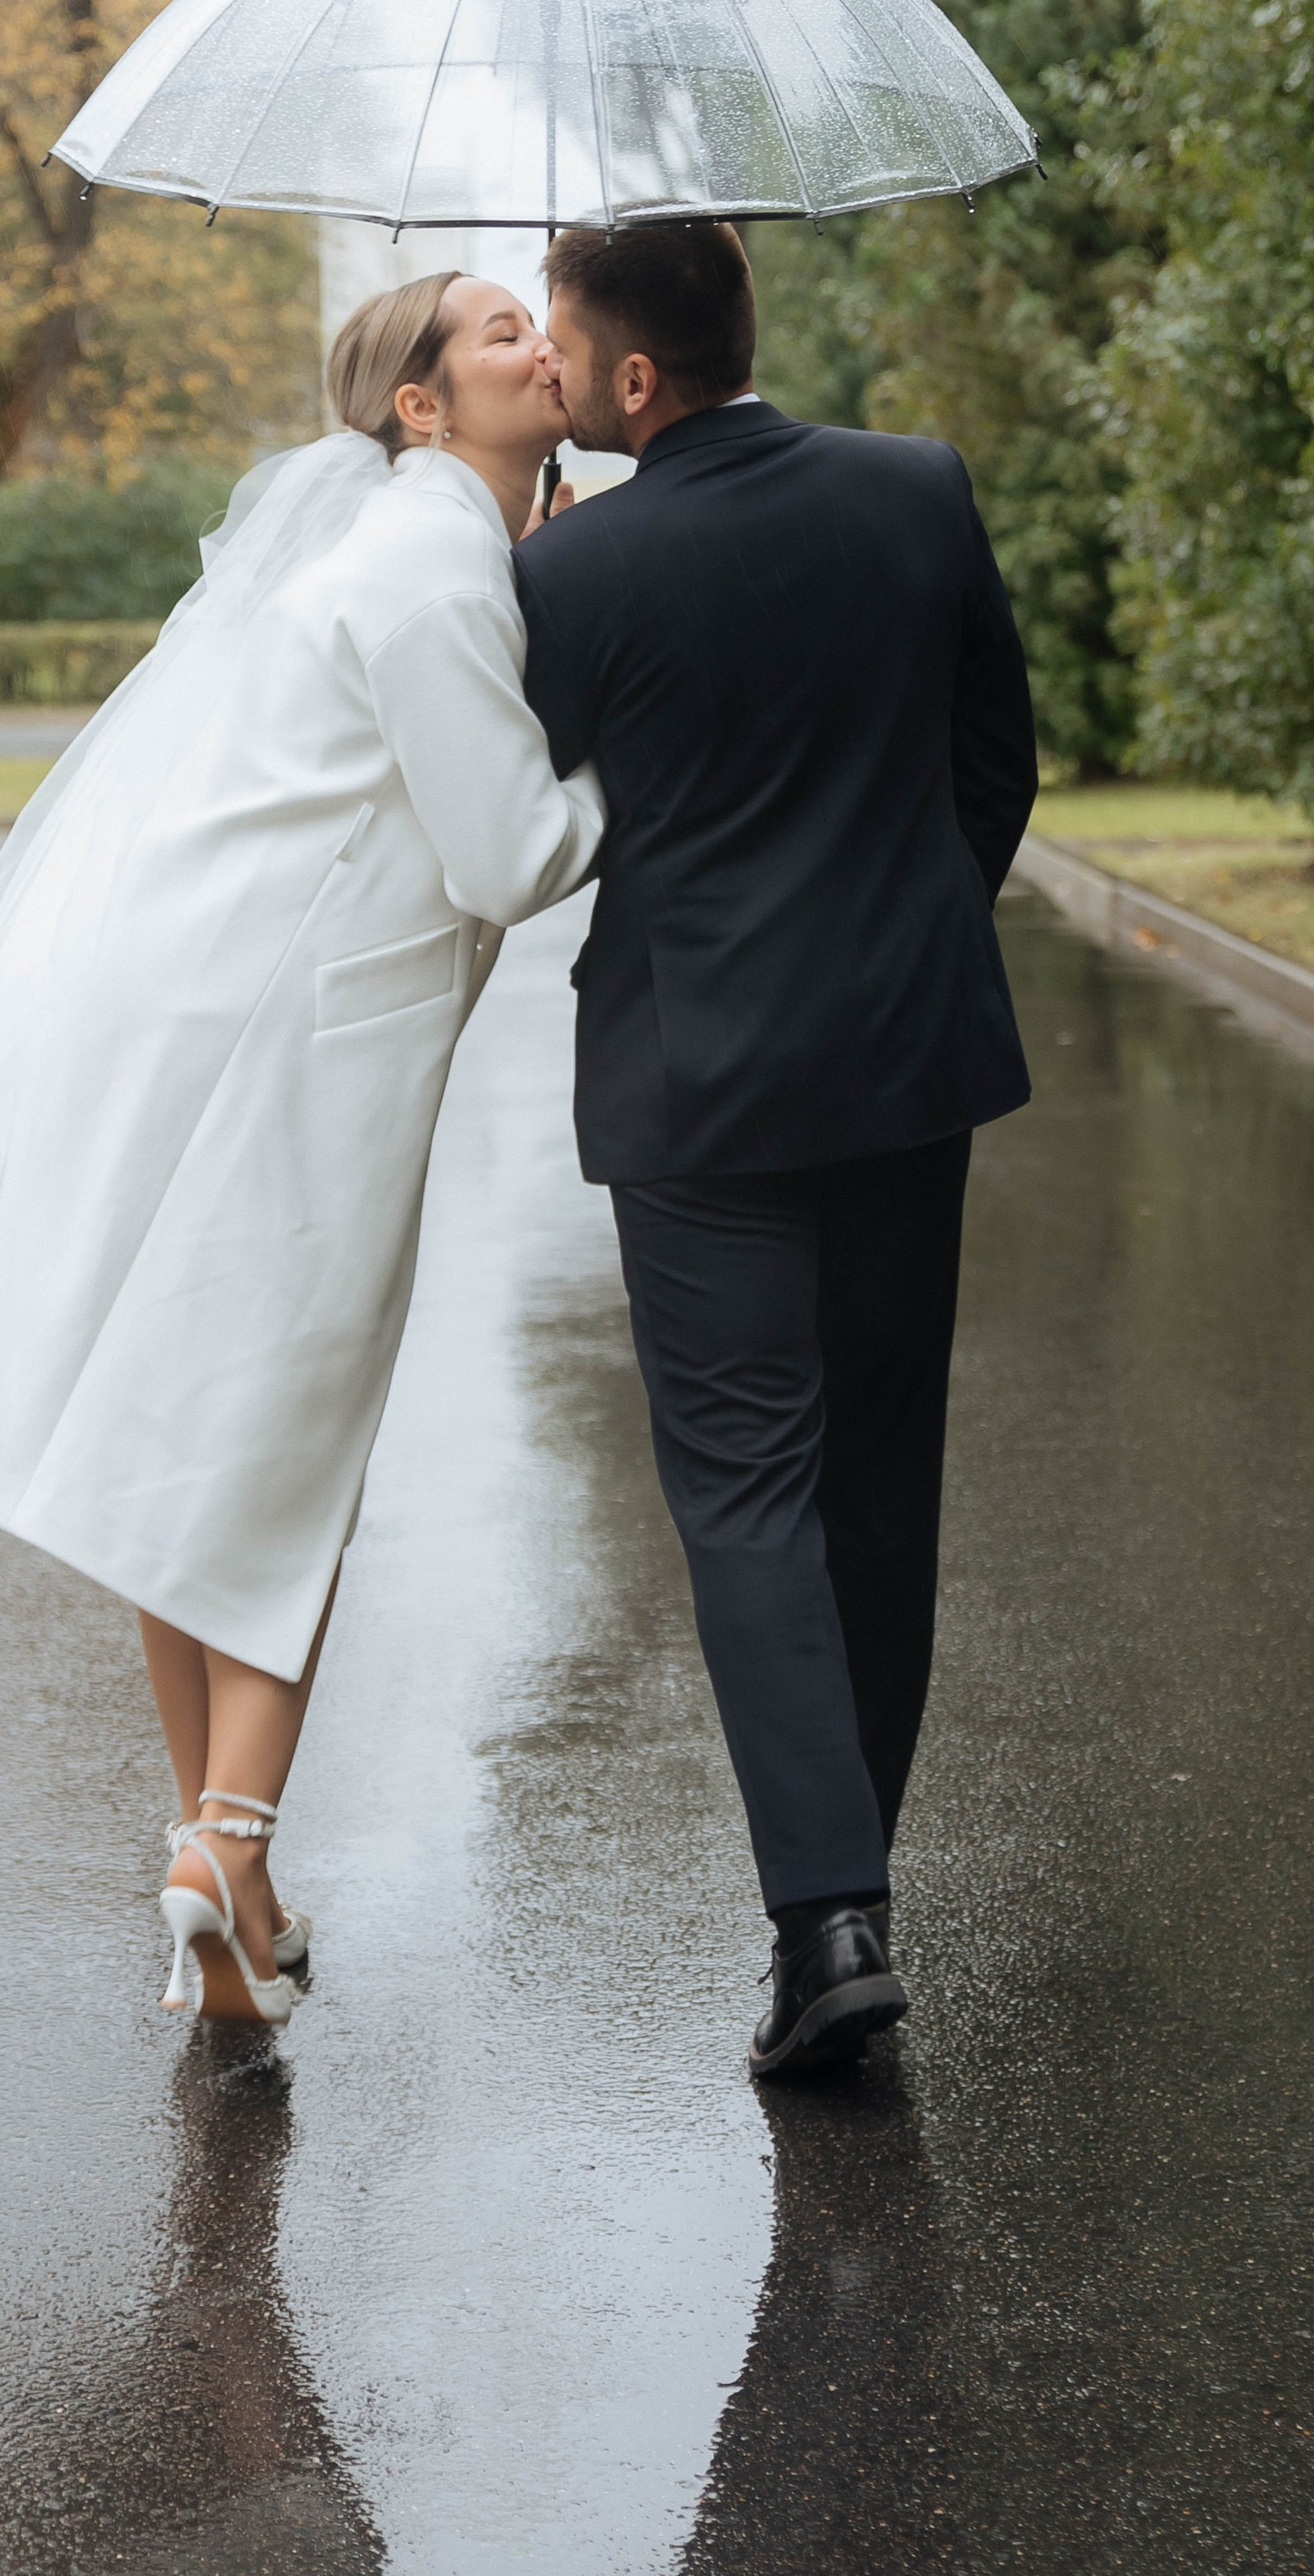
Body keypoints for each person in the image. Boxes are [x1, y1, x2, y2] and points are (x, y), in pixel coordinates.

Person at [0, 277, 602, 2028]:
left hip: (201, 1001)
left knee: (186, 1440)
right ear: (416, 405)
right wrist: (642, 777)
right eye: (494, 335)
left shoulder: (413, 544)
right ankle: (225, 1850)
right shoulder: (430, 567)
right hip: (291, 1046)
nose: (536, 347)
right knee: (285, 1443)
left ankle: (226, 1899)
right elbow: (509, 857)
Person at [515, 219, 1037, 2076]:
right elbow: (997, 763)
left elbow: (538, 789)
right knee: (879, 1481)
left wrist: (540, 569)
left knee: (743, 1491)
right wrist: (910, 935)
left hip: (698, 1086)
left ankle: (825, 1924)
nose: (556, 384)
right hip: (905, 1064)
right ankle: (851, 1902)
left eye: (566, 353)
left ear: (633, 381)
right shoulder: (916, 492)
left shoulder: (577, 570)